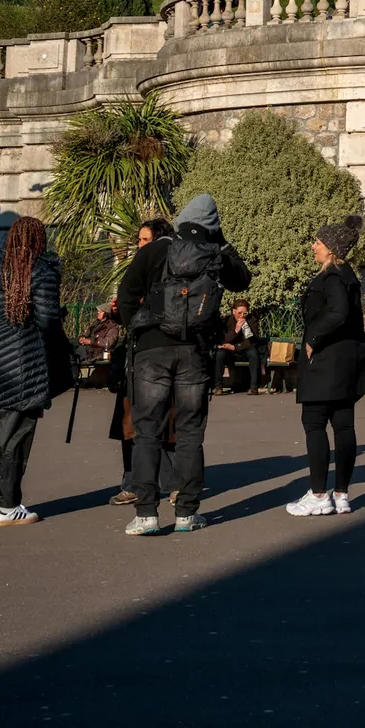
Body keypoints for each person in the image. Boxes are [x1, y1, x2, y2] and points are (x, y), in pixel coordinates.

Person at [116, 193, 250, 536]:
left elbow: (128, 290)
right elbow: (243, 280)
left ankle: (146, 513)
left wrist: (139, 327)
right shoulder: (215, 254)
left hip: (151, 348)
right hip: (194, 351)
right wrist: (221, 242)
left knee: (147, 432)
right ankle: (187, 513)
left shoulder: (156, 249)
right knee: (190, 434)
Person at [0, 215, 71, 527]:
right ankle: (6, 507)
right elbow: (47, 320)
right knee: (13, 436)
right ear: (38, 241)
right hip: (20, 365)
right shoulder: (40, 269)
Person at [287, 214, 365, 517]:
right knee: (344, 426)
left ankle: (319, 494)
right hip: (346, 360)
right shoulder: (347, 275)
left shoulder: (332, 276)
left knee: (314, 423)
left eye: (318, 242)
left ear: (332, 248)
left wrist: (313, 339)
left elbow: (338, 312)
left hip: (325, 362)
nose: (313, 247)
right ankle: (342, 493)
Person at [107, 220, 177, 507]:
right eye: (139, 240)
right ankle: (132, 482)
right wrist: (119, 314)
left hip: (163, 351)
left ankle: (175, 484)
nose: (140, 245)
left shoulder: (173, 270)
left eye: (146, 240)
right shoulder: (135, 269)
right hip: (135, 355)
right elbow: (127, 302)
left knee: (169, 422)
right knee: (130, 422)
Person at [216, 299, 261, 394]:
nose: (242, 316)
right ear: (234, 312)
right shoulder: (227, 321)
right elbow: (223, 340)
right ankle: (218, 386)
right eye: (239, 313)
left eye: (245, 313)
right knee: (220, 354)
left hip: (243, 350)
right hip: (230, 352)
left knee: (253, 353)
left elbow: (252, 341)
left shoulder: (251, 320)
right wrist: (235, 331)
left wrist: (235, 347)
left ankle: (254, 387)